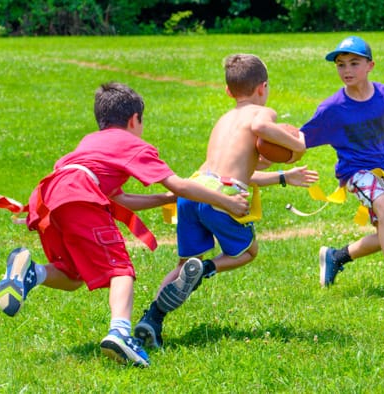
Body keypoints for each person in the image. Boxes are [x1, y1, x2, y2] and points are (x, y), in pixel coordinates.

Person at [0, 82, 250, 367]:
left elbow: (119, 198)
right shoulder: (132, 143)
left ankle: (32, 272)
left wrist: (163, 198)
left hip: (51, 197)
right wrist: (227, 202)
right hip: (80, 196)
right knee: (120, 270)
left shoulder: (91, 141)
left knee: (72, 275)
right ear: (134, 119)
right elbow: (178, 183)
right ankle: (119, 333)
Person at [134, 54, 319, 349]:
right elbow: (260, 129)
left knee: (183, 265)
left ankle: (151, 319)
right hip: (222, 198)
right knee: (247, 253)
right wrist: (299, 145)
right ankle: (205, 271)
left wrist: (284, 176)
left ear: (228, 91)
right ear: (263, 87)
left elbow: (234, 172)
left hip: (194, 192)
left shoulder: (223, 120)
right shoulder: (263, 112)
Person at [300, 36, 384, 303]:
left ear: (370, 65)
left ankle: (336, 257)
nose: (346, 70)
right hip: (354, 173)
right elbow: (300, 140)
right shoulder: (332, 108)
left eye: (354, 63)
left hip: (383, 174)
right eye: (340, 65)